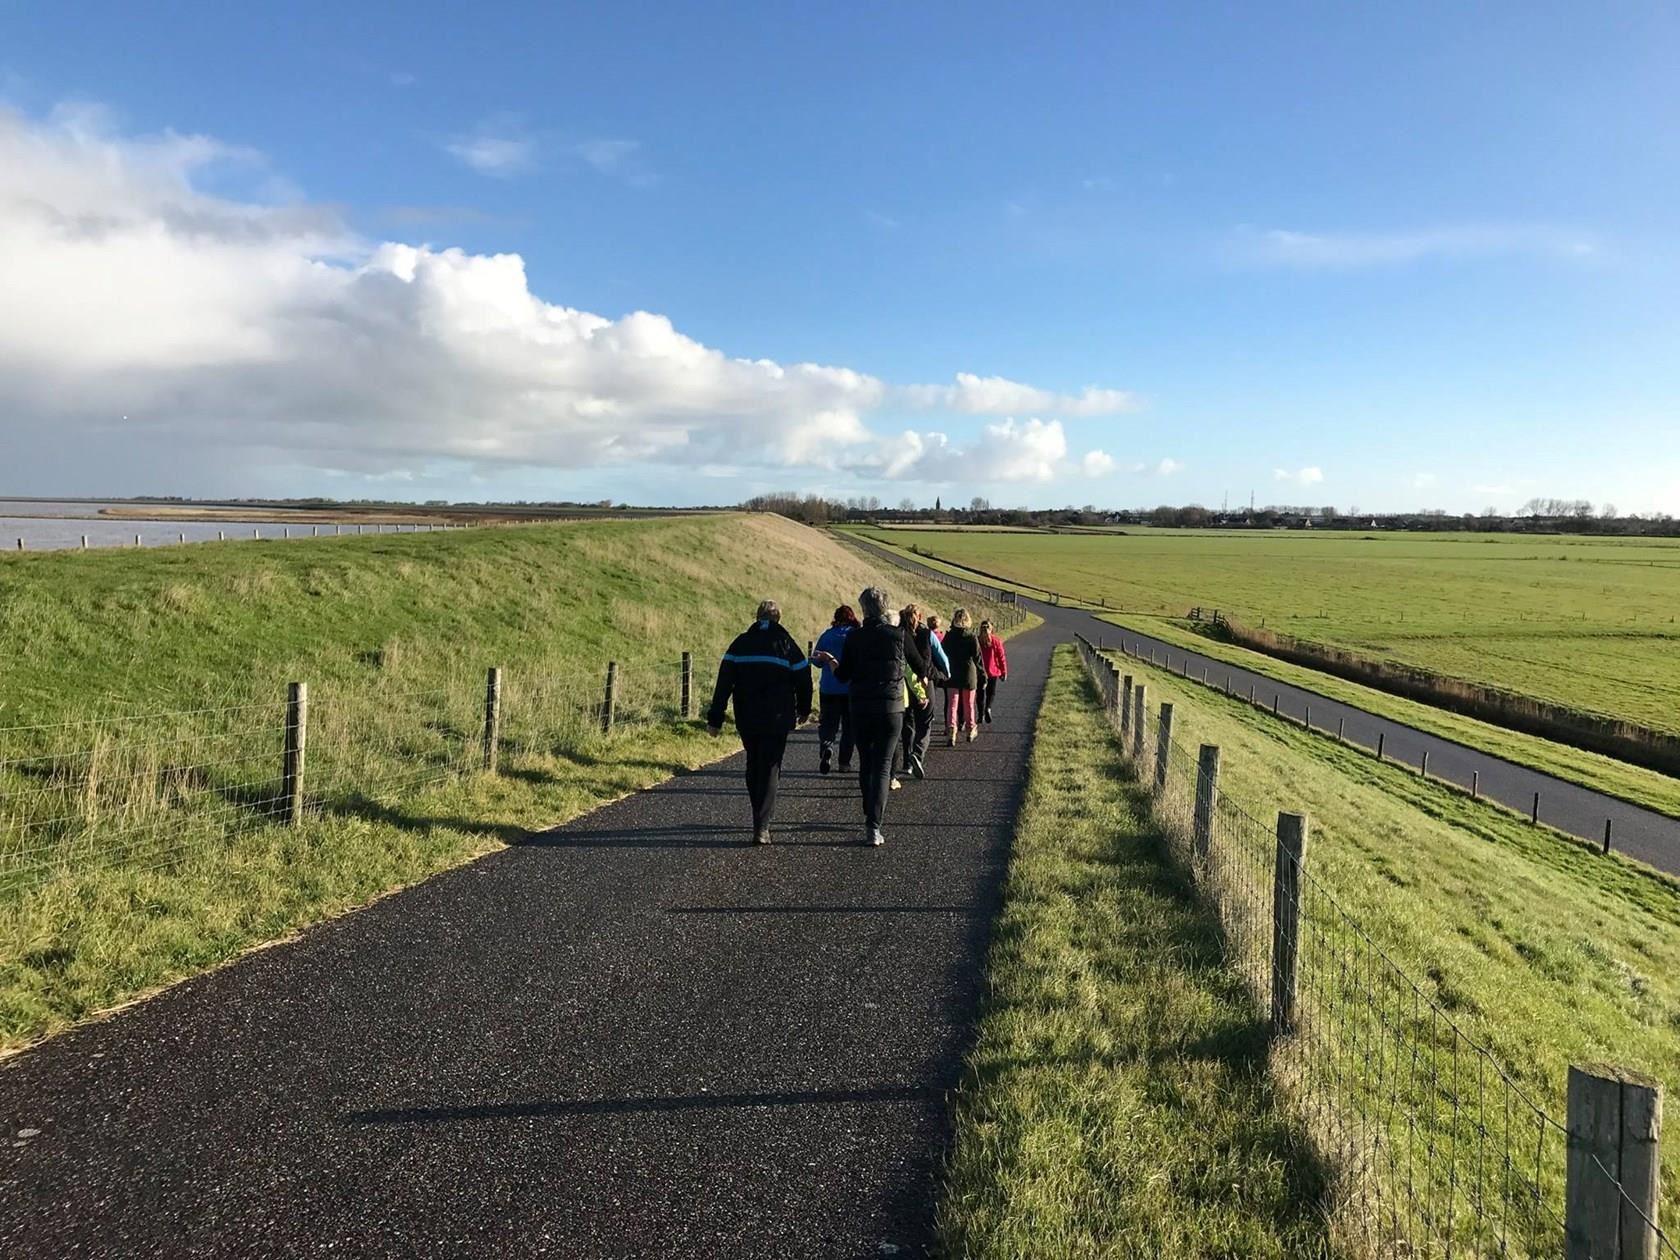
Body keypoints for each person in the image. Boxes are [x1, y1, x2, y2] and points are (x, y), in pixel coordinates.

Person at [706, 599, 812, 844]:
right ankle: (762, 825)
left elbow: (724, 683)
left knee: (754, 762)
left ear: (757, 617)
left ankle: (758, 813)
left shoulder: (740, 643)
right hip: (778, 717)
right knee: (771, 767)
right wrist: (804, 709)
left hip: (747, 715)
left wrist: (716, 718)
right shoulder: (786, 644)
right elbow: (803, 678)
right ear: (778, 619)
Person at [815, 586, 903, 846]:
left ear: (863, 608)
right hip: (890, 707)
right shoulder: (898, 635)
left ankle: (869, 810)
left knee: (866, 762)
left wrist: (832, 661)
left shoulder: (855, 638)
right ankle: (874, 825)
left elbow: (843, 675)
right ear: (885, 607)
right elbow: (919, 664)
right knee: (884, 765)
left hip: (861, 707)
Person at [814, 605, 859, 775]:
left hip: (829, 687)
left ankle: (827, 746)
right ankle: (844, 763)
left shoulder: (827, 635)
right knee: (849, 728)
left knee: (828, 724)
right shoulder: (854, 636)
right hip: (849, 688)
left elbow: (817, 662)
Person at [898, 603, 936, 780]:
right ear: (919, 617)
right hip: (923, 680)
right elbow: (933, 657)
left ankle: (907, 762)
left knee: (907, 723)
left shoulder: (899, 634)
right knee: (926, 722)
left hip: (904, 683)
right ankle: (918, 753)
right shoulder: (926, 634)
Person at [940, 607, 981, 744]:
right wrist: (983, 674)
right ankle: (971, 728)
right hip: (968, 673)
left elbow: (943, 653)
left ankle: (951, 729)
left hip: (952, 673)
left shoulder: (949, 636)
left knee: (952, 704)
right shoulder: (971, 637)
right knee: (968, 704)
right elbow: (977, 658)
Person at [976, 619, 1008, 724]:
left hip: (979, 672)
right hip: (992, 671)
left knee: (980, 694)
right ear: (991, 629)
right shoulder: (996, 641)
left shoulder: (977, 640)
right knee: (991, 693)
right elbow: (1001, 657)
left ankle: (980, 714)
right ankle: (988, 707)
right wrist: (1004, 671)